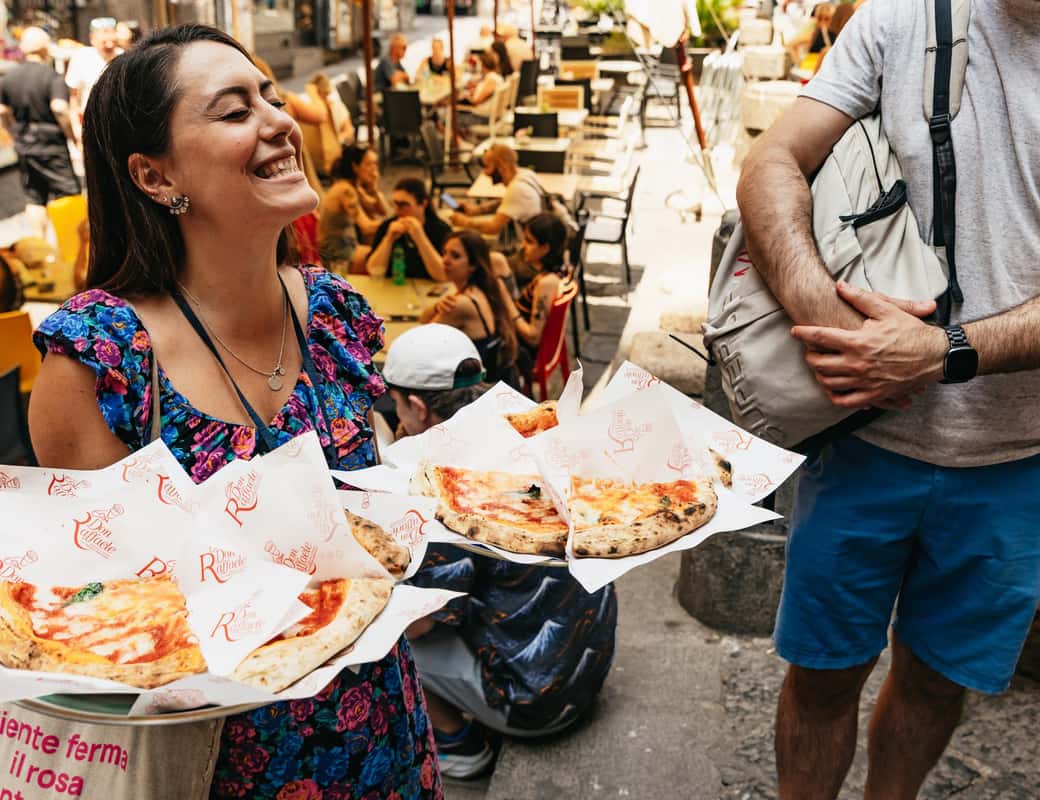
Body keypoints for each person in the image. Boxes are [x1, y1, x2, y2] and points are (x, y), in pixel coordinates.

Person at [28, 24, 441, 798]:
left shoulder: (335, 312)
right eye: (234, 110)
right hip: (211, 769)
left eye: (272, 97)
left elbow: (371, 539)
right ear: (155, 177)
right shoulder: (98, 359)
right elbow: (98, 623)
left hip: (383, 736)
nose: (282, 121)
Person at [736, 2, 1040, 798]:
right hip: (864, 438)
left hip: (1017, 459)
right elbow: (773, 162)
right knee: (824, 676)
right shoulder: (903, 17)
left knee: (940, 682)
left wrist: (949, 352)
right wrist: (820, 308)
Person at [380, 326, 617, 779]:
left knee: (382, 637)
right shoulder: (536, 428)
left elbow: (420, 622)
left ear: (416, 405)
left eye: (396, 404)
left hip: (537, 706)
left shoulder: (446, 488)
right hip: (588, 670)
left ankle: (457, 746)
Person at [0, 26, 80, 238]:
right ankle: (71, 248)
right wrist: (72, 136)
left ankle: (42, 247)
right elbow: (60, 108)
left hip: (25, 146)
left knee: (34, 198)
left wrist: (12, 131)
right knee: (68, 194)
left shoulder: (9, 78)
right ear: (45, 50)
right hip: (51, 144)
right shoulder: (51, 77)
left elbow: (2, 111)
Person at [419, 230, 517, 381]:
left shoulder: (461, 304)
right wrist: (437, 306)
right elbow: (424, 318)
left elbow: (422, 342)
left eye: (455, 256)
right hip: (486, 380)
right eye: (444, 253)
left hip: (465, 387)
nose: (445, 260)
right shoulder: (483, 290)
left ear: (473, 265)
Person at [449, 143, 543, 269]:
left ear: (501, 166)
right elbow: (506, 202)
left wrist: (464, 222)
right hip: (537, 248)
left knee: (479, 264)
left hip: (529, 260)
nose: (485, 173)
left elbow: (493, 227)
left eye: (487, 167)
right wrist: (476, 211)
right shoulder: (525, 175)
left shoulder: (517, 189)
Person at [500, 213, 569, 371]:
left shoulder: (546, 283)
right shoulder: (560, 270)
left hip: (522, 352)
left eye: (529, 242)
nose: (523, 246)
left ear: (545, 248)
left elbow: (533, 337)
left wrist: (506, 301)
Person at [318, 144, 386, 273]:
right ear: (355, 167)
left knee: (382, 251)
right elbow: (367, 227)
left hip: (347, 246)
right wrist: (397, 222)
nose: (374, 169)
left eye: (375, 164)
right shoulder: (345, 190)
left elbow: (381, 211)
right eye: (368, 164)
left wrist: (374, 189)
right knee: (383, 259)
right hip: (337, 253)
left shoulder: (354, 188)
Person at [366, 177, 450, 281]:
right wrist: (388, 239)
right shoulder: (387, 226)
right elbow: (373, 271)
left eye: (404, 205)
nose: (397, 211)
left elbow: (443, 275)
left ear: (423, 204)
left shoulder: (440, 229)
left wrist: (420, 238)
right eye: (395, 204)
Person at [64, 17, 120, 145]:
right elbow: (73, 98)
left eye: (113, 41)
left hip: (117, 124)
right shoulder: (82, 57)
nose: (110, 45)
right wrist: (76, 129)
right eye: (104, 42)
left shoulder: (123, 56)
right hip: (90, 124)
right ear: (92, 39)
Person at [299, 71, 355, 177]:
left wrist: (336, 140)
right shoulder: (310, 111)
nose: (323, 98)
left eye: (324, 94)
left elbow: (349, 130)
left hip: (338, 153)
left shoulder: (336, 107)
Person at [459, 50, 503, 115]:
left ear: (483, 64)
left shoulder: (491, 79)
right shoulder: (495, 77)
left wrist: (466, 97)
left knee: (449, 113)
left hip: (481, 115)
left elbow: (476, 101)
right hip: (484, 112)